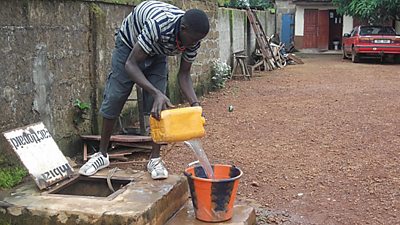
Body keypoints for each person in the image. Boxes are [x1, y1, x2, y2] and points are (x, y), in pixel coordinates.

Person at [79, 1, 209, 179]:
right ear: (183, 28)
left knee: (159, 106)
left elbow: (184, 75)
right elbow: (130, 65)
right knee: (115, 96)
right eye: (193, 39)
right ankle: (102, 155)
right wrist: (155, 92)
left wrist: (196, 107)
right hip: (129, 46)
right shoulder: (159, 25)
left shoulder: (193, 39)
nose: (194, 44)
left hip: (158, 52)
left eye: (198, 41)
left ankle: (154, 159)